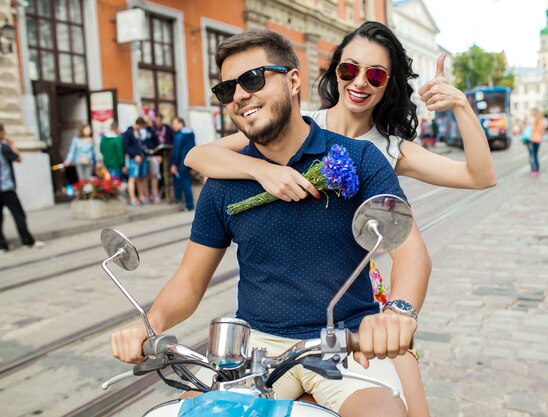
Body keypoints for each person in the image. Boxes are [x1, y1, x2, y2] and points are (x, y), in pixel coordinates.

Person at [110, 29, 432, 417]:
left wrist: (397, 313)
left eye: (253, 79)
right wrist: (150, 323)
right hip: (256, 350)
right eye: (228, 89)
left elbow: (410, 251)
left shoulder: (358, 158)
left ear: (293, 80)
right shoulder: (223, 184)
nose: (240, 95)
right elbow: (190, 280)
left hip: (346, 340)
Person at [184, 21, 496, 417]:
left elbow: (480, 176)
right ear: (335, 71)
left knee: (412, 405)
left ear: (388, 85)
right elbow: (199, 157)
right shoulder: (300, 120)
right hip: (287, 306)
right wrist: (263, 171)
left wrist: (461, 106)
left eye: (376, 75)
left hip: (365, 288)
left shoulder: (388, 149)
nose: (359, 82)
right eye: (349, 69)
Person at [0, 124, 44, 252]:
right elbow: (19, 159)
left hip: (5, 188)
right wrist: (13, 146)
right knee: (19, 215)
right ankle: (27, 241)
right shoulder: (4, 148)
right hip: (7, 188)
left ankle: (2, 245)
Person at [170, 117, 196, 211]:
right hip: (190, 160)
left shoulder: (179, 135)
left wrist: (173, 163)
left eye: (174, 123)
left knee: (184, 182)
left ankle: (188, 204)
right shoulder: (190, 133)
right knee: (187, 182)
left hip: (181, 162)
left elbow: (177, 151)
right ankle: (189, 204)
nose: (173, 126)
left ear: (181, 123)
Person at [122, 117, 150, 206]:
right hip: (133, 159)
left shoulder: (138, 132)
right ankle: (132, 198)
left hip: (141, 157)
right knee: (132, 178)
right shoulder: (128, 133)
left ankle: (141, 196)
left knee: (140, 178)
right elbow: (126, 147)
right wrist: (135, 155)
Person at [526, 108, 544, 177]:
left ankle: (533, 170)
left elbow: (527, 129)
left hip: (531, 139)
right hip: (538, 139)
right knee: (536, 155)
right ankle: (537, 170)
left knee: (532, 155)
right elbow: (541, 130)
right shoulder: (540, 120)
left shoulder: (531, 119)